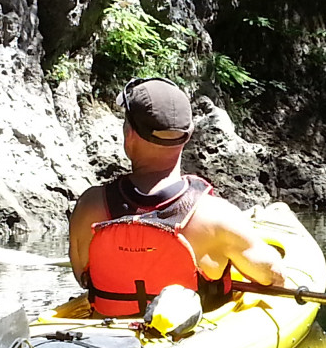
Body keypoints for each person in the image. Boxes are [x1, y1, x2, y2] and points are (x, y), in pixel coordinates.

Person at [68, 76, 286, 315]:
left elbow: (83, 275)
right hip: (190, 341)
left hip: (107, 335)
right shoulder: (216, 216)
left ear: (129, 135)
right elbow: (272, 276)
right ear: (189, 134)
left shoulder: (89, 206)